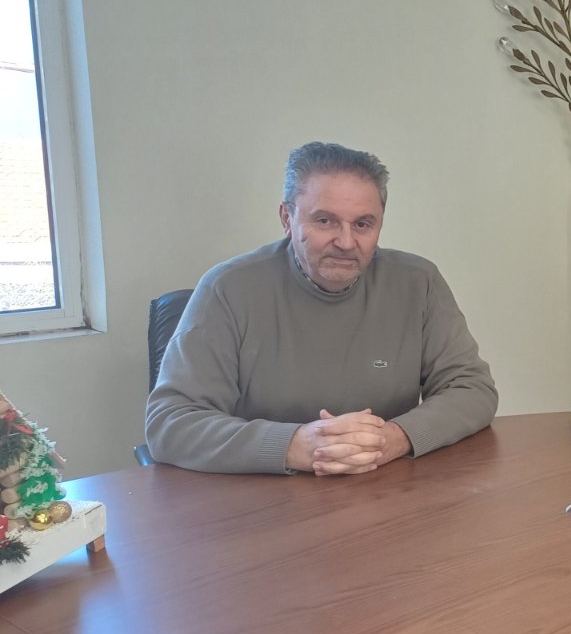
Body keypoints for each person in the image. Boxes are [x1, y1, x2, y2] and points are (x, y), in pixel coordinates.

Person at [145, 142, 497, 475]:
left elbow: (472, 389)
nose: (346, 242)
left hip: (384, 487)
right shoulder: (228, 288)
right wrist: (293, 445)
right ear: (287, 218)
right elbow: (171, 423)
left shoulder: (418, 282)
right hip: (262, 497)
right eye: (325, 221)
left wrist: (395, 438)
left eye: (362, 224)